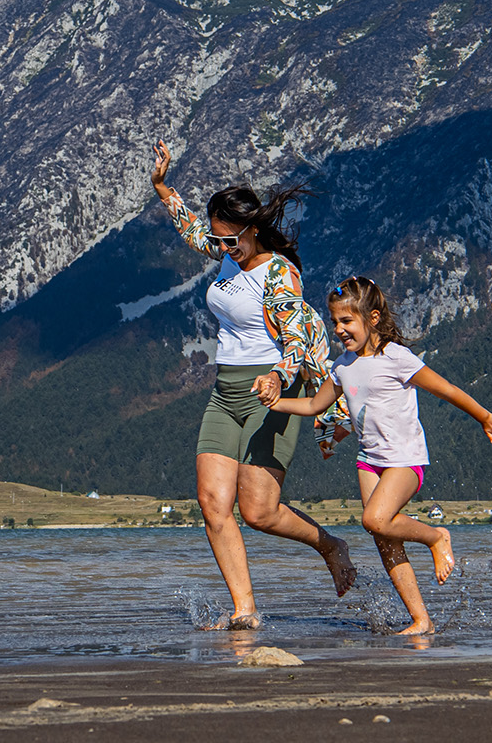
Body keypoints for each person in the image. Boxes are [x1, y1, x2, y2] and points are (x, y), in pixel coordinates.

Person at [150, 140, 356, 630]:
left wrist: (277, 378)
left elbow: (293, 343)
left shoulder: (280, 275)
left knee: (259, 512)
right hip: (226, 392)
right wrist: (161, 186)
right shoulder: (227, 254)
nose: (221, 247)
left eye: (230, 240)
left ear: (253, 229)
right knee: (211, 502)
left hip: (272, 393)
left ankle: (330, 544)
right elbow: (192, 230)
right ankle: (245, 610)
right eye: (219, 240)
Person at [265, 275, 492, 634]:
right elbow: (312, 404)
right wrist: (277, 403)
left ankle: (435, 536)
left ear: (373, 318)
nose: (339, 329)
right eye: (335, 321)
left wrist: (485, 417)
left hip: (404, 460)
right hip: (369, 461)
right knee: (385, 540)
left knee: (374, 520)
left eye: (346, 321)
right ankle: (421, 620)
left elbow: (446, 389)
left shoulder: (397, 358)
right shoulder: (342, 367)